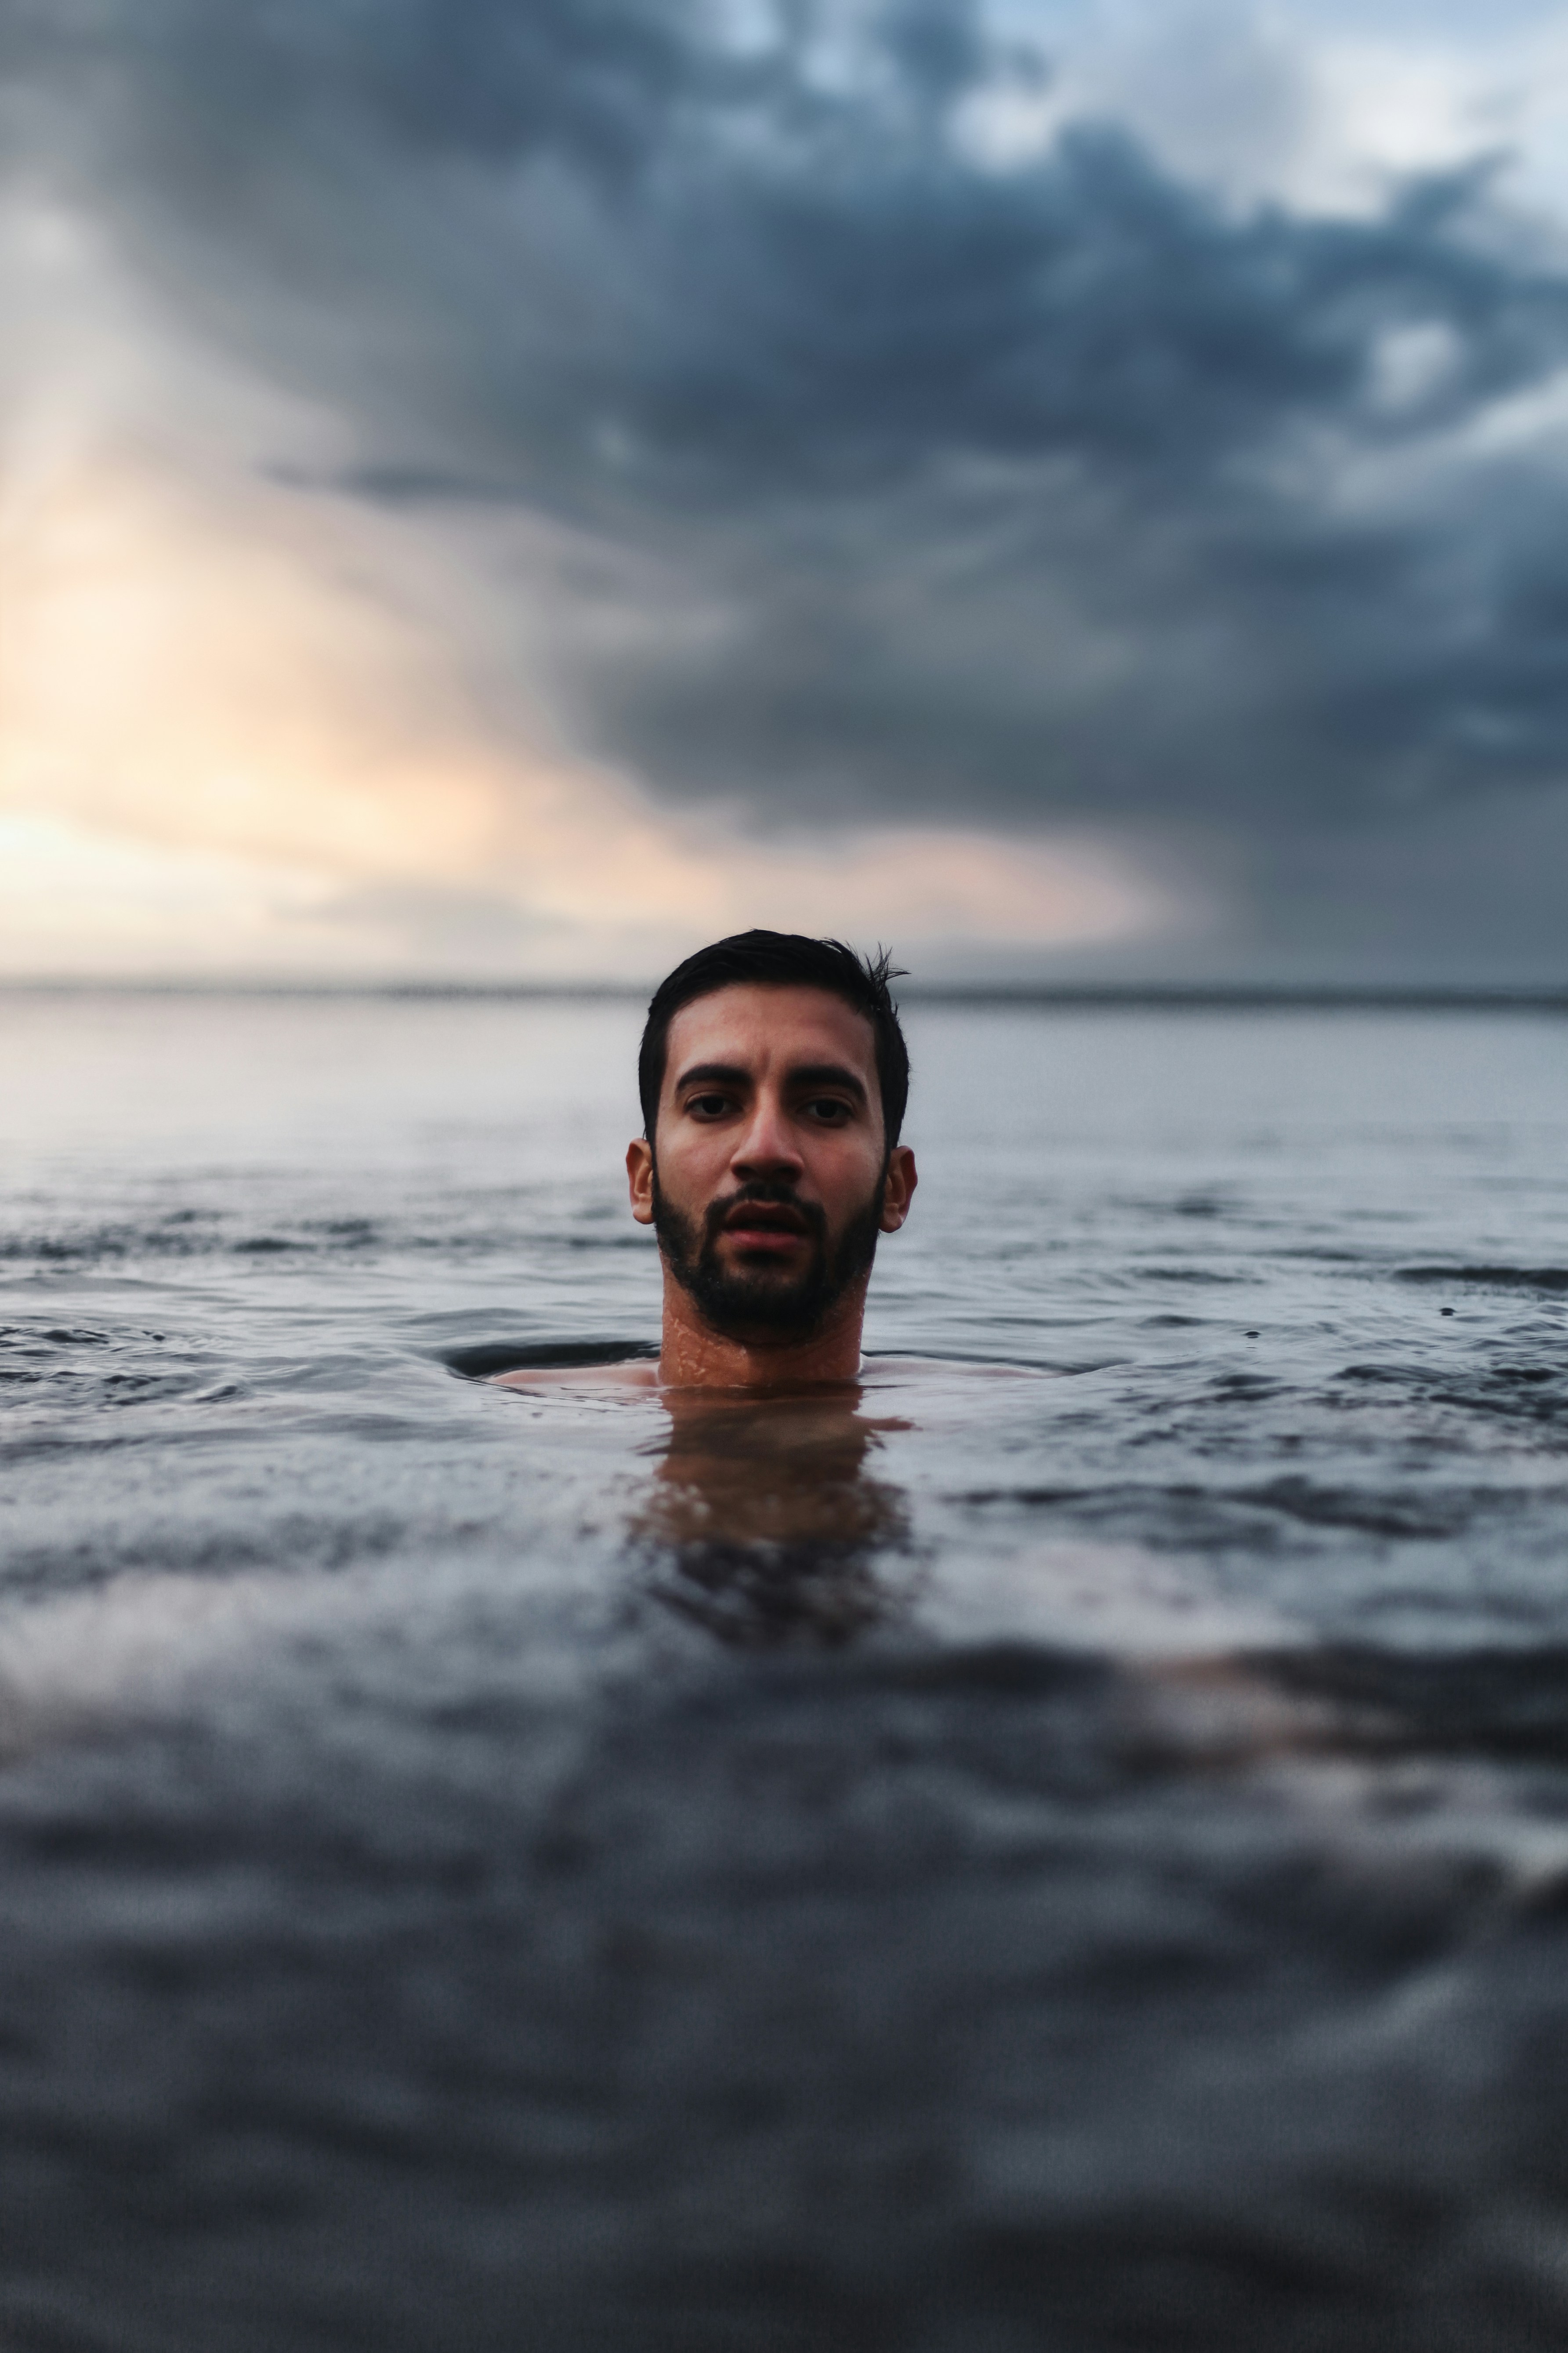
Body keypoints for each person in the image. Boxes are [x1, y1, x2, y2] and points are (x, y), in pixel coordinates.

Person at [496, 929, 918, 1394]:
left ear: (894, 1188)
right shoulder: (518, 1416)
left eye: (825, 1109)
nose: (764, 1152)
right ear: (643, 1180)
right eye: (712, 1106)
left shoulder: (989, 1418)